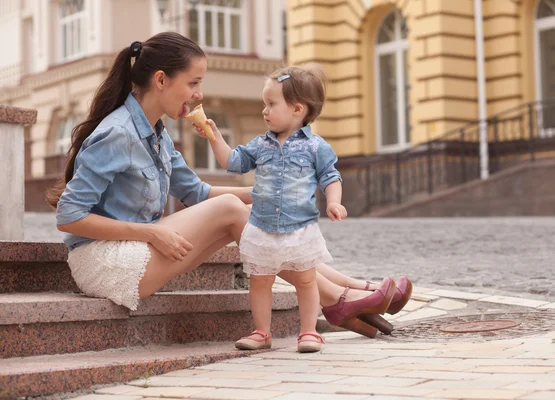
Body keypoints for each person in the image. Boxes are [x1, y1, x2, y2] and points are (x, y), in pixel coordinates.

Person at [46, 31, 412, 344]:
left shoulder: (156, 134)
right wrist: (151, 233)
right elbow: (69, 217)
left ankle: (348, 289)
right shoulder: (117, 133)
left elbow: (198, 193)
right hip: (102, 262)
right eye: (193, 83)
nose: (198, 95)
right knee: (233, 212)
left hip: (137, 249)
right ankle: (337, 300)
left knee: (251, 212)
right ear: (160, 80)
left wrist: (265, 191)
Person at [195, 65, 399, 352]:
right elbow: (233, 162)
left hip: (299, 227)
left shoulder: (316, 147)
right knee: (261, 282)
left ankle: (309, 331)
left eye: (271, 104)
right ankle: (261, 332)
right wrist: (214, 136)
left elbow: (331, 177)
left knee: (305, 281)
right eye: (264, 104)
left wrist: (334, 201)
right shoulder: (260, 144)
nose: (264, 111)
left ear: (297, 109)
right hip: (263, 226)